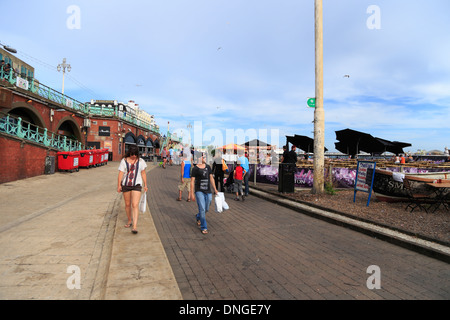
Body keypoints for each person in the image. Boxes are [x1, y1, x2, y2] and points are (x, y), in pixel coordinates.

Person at [117, 145, 148, 234]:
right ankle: (129, 220)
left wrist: (145, 184)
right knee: (127, 204)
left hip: (137, 185)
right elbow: (120, 173)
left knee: (135, 204)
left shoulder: (141, 161)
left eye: (135, 154)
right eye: (132, 154)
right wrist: (119, 185)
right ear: (129, 153)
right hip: (126, 185)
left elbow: (143, 173)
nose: (133, 156)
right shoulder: (124, 161)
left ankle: (134, 226)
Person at [190, 153, 218, 234]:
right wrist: (192, 193)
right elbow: (192, 181)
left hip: (208, 191)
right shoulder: (195, 169)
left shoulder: (208, 167)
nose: (205, 158)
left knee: (207, 208)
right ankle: (204, 227)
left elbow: (211, 178)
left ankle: (198, 216)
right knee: (202, 209)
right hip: (199, 191)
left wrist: (215, 189)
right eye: (203, 157)